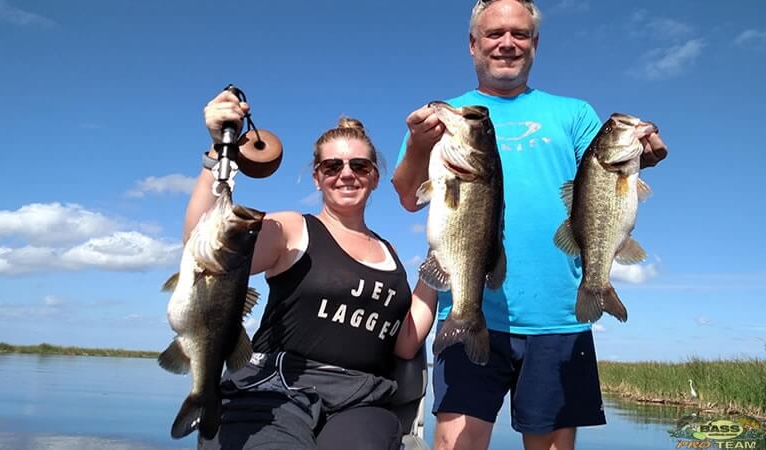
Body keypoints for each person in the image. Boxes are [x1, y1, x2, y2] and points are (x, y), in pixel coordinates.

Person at [392, 1, 668, 449]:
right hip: (472, 304)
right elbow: (408, 195)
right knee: (453, 443)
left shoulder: (574, 114)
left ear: (535, 44)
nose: (507, 43)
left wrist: (646, 155)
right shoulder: (443, 117)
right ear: (473, 44)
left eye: (519, 34)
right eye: (494, 34)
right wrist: (418, 148)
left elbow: (603, 178)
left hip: (559, 314)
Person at [186, 89, 437, 450]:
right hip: (275, 389)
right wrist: (218, 153)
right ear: (317, 177)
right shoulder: (291, 230)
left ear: (375, 176)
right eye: (332, 166)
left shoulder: (390, 252)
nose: (346, 174)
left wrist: (438, 263)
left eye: (359, 166)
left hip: (360, 398)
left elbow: (406, 341)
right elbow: (205, 249)